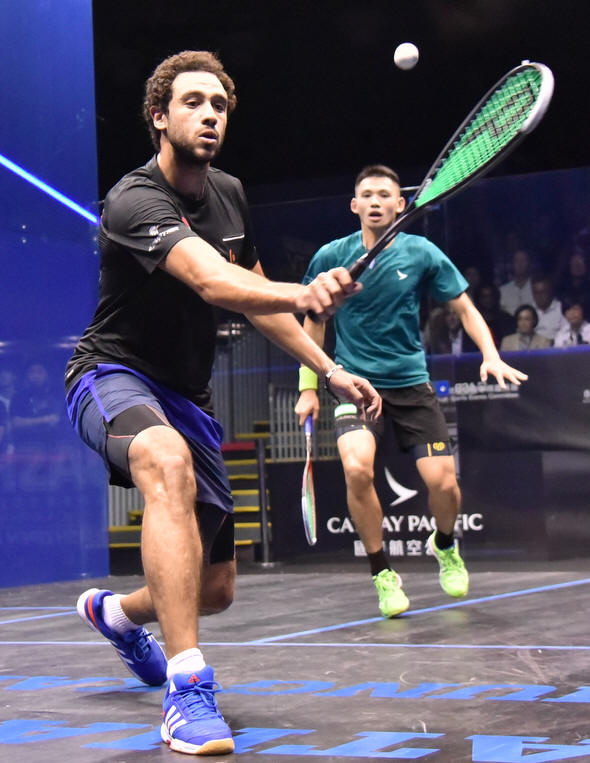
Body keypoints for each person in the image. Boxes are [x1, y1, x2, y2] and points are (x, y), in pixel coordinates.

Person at [65, 51, 381, 756]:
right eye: (193, 102)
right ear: (159, 117)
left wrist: (329, 368)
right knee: (165, 461)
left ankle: (117, 615)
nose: (210, 115)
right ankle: (187, 689)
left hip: (189, 395)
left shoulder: (230, 194)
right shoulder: (134, 198)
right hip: (112, 374)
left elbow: (257, 298)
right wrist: (306, 291)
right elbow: (211, 281)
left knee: (214, 589)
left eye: (220, 106)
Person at [295, 165, 527, 620]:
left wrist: (490, 353)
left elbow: (465, 308)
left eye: (386, 194)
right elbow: (313, 324)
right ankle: (382, 573)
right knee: (356, 468)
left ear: (401, 205)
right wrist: (309, 387)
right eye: (367, 194)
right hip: (355, 385)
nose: (376, 201)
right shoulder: (331, 256)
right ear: (354, 205)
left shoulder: (421, 253)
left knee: (444, 484)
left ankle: (445, 544)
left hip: (412, 387)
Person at [531, 275, 568, 341]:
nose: (539, 296)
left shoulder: (561, 308)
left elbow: (567, 334)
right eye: (536, 293)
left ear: (550, 292)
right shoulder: (528, 310)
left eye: (543, 292)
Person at [499, 249, 535, 316]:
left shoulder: (536, 288)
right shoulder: (503, 290)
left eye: (523, 260)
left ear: (529, 263)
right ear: (512, 264)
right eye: (516, 261)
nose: (519, 264)